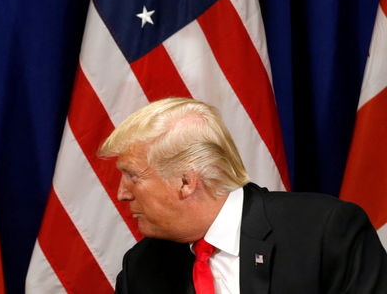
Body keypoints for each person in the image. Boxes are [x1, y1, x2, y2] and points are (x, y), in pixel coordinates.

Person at [99, 97, 387, 294]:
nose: (122, 194)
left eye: (133, 176)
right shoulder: (142, 267)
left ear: (186, 182)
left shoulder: (324, 231)